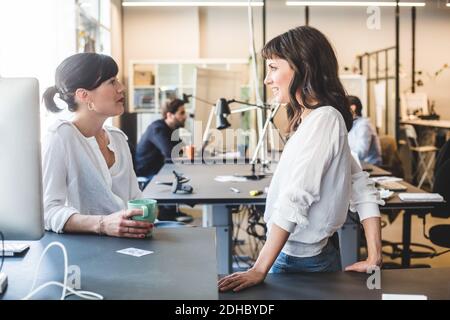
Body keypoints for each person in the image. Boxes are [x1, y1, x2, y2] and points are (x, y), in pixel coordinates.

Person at [218, 26, 384, 293]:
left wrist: (259, 267)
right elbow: (360, 184)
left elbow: (296, 197)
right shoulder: (314, 119)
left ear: (303, 67)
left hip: (298, 261)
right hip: (308, 256)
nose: (267, 79)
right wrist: (375, 255)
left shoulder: (325, 119)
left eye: (273, 68)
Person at [42, 53, 153, 238]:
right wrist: (102, 224)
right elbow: (48, 211)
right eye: (111, 82)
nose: (121, 88)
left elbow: (135, 198)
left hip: (127, 246)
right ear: (84, 95)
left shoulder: (118, 139)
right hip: (82, 253)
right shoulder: (60, 136)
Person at [135, 98, 192, 222]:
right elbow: (171, 154)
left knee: (179, 175)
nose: (185, 116)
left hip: (160, 168)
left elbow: (181, 150)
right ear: (170, 115)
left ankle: (171, 211)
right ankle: (167, 214)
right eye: (181, 113)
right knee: (173, 177)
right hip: (146, 171)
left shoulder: (173, 129)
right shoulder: (158, 128)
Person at [347, 95, 382, 166]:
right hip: (359, 165)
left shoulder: (364, 125)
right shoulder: (352, 124)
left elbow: (361, 153)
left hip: (371, 166)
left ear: (352, 108)